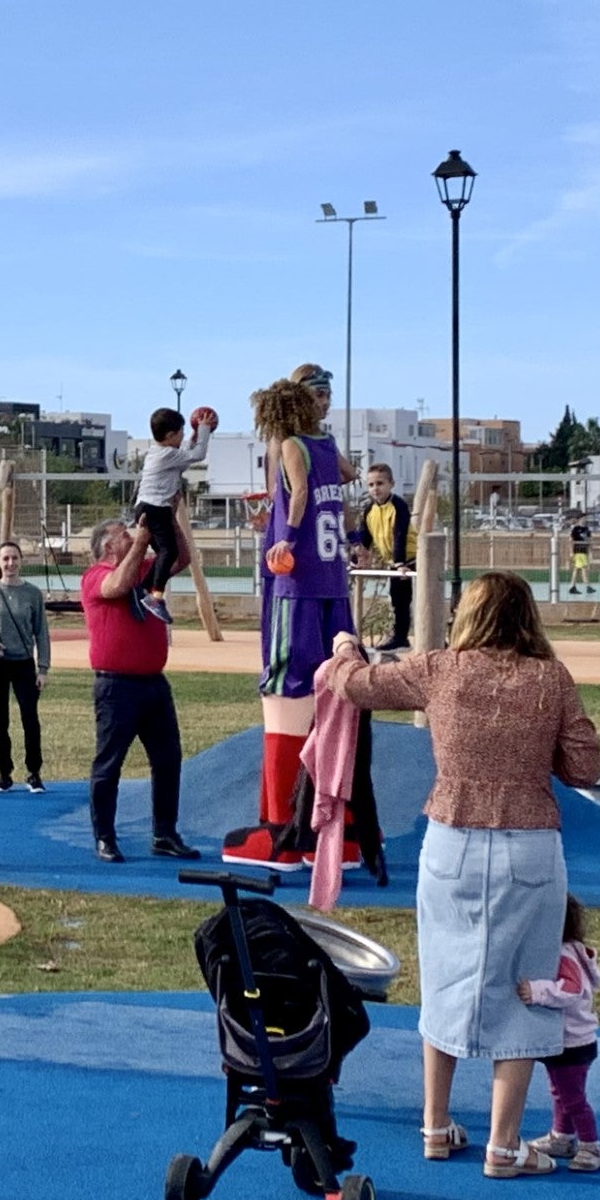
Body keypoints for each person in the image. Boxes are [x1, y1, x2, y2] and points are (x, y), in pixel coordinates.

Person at [317, 571, 600, 1180]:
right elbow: (584, 766)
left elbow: (356, 686)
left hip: (451, 839)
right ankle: (504, 1146)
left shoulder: (441, 669)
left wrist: (346, 647)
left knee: (446, 976)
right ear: (527, 617)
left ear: (467, 614)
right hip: (529, 844)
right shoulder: (550, 679)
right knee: (526, 988)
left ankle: (435, 1125)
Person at [224, 367, 356, 871]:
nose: (323, 402)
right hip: (332, 581)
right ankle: (343, 833)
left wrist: (285, 530)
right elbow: (344, 474)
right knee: (337, 695)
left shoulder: (290, 444)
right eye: (318, 394)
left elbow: (297, 493)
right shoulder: (323, 445)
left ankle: (284, 832)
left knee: (285, 690)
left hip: (295, 581)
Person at [80, 515, 200, 863]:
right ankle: (104, 836)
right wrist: (147, 532)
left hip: (153, 683)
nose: (133, 538)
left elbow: (179, 558)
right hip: (116, 685)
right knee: (109, 763)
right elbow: (118, 585)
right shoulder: (95, 577)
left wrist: (171, 514)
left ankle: (164, 832)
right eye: (125, 535)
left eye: (133, 533)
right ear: (108, 545)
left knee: (167, 760)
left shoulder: (145, 570)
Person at [521, 895, 600, 1172]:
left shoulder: (563, 954)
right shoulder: (570, 950)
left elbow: (571, 989)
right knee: (560, 1091)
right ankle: (562, 1136)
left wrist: (536, 991)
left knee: (572, 1097)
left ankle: (591, 1146)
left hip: (573, 1042)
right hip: (570, 1039)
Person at [0, 541, 51, 793]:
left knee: (30, 718)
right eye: (5, 559)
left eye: (14, 558)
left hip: (23, 663)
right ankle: (3, 772)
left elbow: (41, 632)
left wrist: (43, 668)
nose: (10, 564)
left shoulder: (32, 593)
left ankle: (34, 771)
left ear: (21, 561)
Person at [130, 406, 215, 623]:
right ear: (169, 436)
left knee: (168, 556)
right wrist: (204, 430)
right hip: (155, 507)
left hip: (148, 506)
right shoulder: (166, 454)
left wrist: (197, 433)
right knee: (169, 551)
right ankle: (155, 596)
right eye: (181, 433)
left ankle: (143, 590)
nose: (183, 437)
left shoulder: (162, 451)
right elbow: (198, 454)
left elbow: (187, 453)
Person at [350, 462, 415, 651]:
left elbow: (400, 535)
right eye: (371, 485)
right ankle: (401, 638)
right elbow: (365, 537)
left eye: (380, 483)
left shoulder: (398, 505)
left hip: (411, 558)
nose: (375, 489)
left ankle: (416, 637)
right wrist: (358, 560)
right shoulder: (370, 509)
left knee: (411, 599)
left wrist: (400, 562)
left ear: (391, 484)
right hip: (394, 561)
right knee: (397, 599)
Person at [567, 518, 595, 594]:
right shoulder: (576, 529)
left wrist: (590, 551)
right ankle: (588, 586)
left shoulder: (586, 529)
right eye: (582, 518)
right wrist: (571, 551)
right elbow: (571, 540)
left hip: (584, 551)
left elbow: (589, 540)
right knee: (583, 568)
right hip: (578, 551)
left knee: (577, 570)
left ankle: (572, 586)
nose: (584, 520)